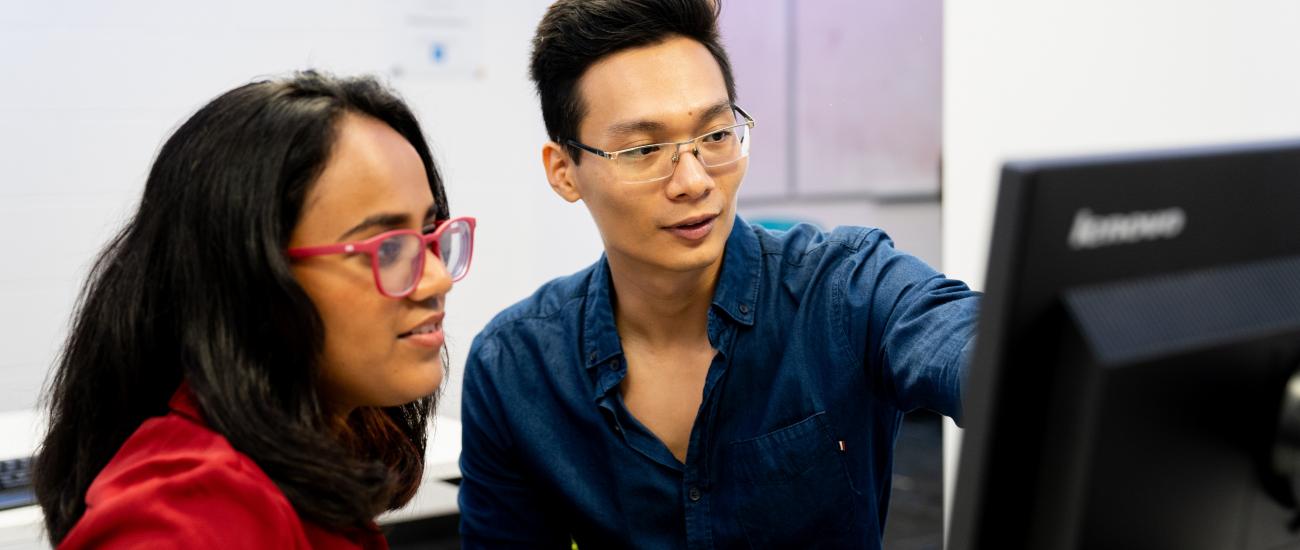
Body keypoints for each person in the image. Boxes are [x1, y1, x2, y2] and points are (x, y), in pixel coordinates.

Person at [457, 0, 979, 548]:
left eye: (715, 135)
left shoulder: (844, 290)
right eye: (644, 149)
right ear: (564, 171)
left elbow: (960, 336)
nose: (694, 180)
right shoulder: (516, 368)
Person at [33, 71, 476, 548]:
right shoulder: (190, 514)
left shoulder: (318, 451)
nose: (438, 278)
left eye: (430, 235)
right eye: (386, 248)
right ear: (250, 275)